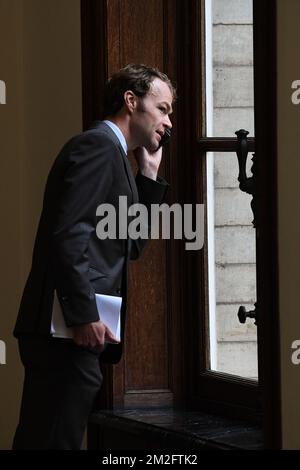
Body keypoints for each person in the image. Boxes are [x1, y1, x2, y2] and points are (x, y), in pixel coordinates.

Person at [12, 64, 175, 450]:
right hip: (64, 330)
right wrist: (83, 314)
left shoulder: (117, 156)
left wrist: (148, 178)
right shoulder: (98, 147)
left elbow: (130, 246)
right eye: (163, 108)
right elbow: (68, 236)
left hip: (70, 332)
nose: (169, 122)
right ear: (131, 101)